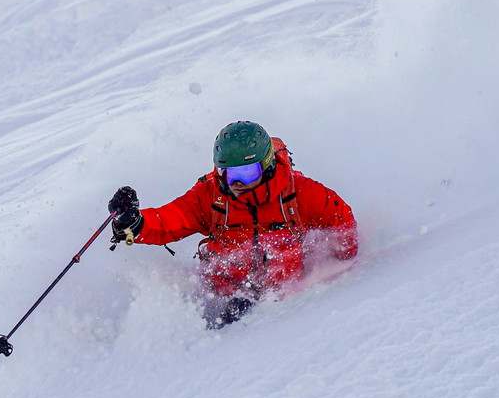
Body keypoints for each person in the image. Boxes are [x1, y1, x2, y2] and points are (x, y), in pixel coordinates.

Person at [108, 121, 358, 328]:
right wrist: (134, 224)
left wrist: (328, 264)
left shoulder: (301, 193)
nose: (236, 182)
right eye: (228, 172)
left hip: (288, 305)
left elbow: (343, 226)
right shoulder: (212, 196)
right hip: (220, 300)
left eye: (247, 173)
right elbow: (171, 219)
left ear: (267, 165)